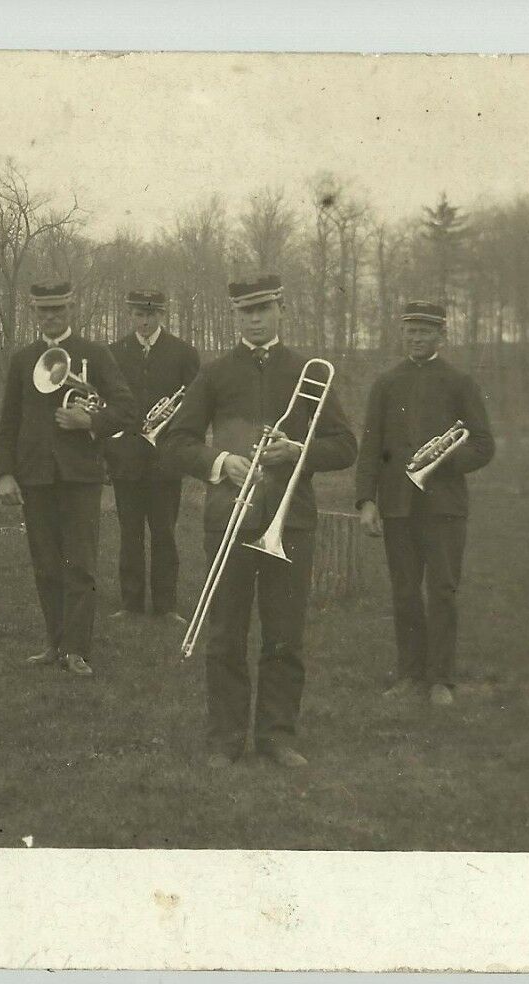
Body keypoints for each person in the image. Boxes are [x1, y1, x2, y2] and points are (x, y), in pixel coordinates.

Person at [163, 274, 356, 768]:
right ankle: (225, 739)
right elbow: (177, 440)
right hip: (228, 516)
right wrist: (220, 462)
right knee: (226, 632)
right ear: (234, 315)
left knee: (285, 634)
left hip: (290, 522)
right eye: (245, 311)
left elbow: (345, 446)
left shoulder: (308, 370)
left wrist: (299, 451)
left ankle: (277, 735)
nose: (254, 318)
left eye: (263, 309)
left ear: (280, 309)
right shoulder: (214, 373)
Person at [355, 300, 496, 707]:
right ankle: (410, 674)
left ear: (441, 335)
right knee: (404, 592)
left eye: (425, 331)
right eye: (410, 331)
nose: (416, 338)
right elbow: (369, 448)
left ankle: (441, 679)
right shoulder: (386, 383)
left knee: (443, 590)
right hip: (397, 505)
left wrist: (446, 462)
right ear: (403, 334)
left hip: (444, 505)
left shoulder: (460, 382)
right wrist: (366, 500)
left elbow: (484, 445)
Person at [0, 281, 136, 677]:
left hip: (80, 474)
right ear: (34, 312)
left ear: (71, 308)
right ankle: (54, 644)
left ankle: (76, 649)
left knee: (81, 563)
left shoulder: (95, 353)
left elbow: (127, 408)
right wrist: (6, 473)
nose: (51, 316)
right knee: (45, 564)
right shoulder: (23, 359)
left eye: (58, 308)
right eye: (44, 310)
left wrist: (89, 420)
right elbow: (8, 422)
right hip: (35, 474)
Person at [103, 289, 200, 623]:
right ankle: (130, 603)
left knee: (164, 534)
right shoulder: (114, 352)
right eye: (138, 315)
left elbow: (193, 406)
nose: (144, 322)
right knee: (129, 534)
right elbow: (107, 405)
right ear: (130, 315)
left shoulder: (183, 353)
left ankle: (166, 605)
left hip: (165, 459)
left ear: (162, 314)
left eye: (151, 315)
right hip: (126, 456)